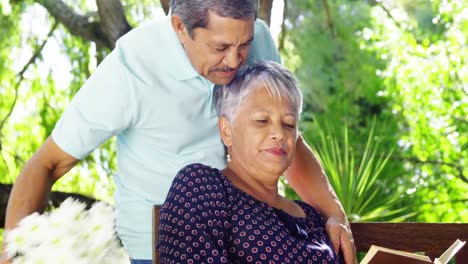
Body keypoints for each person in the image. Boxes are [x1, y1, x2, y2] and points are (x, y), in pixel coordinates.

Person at [2, 1, 356, 263]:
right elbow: (48, 163)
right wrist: (18, 249)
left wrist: (333, 211)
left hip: (251, 235)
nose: (235, 60)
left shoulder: (257, 38)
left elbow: (279, 137)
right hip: (161, 249)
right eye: (220, 48)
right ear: (179, 28)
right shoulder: (132, 67)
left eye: (243, 45)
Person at [159, 61, 342, 263]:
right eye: (262, 121)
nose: (279, 134)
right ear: (227, 131)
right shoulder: (201, 186)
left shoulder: (312, 218)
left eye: (289, 124)